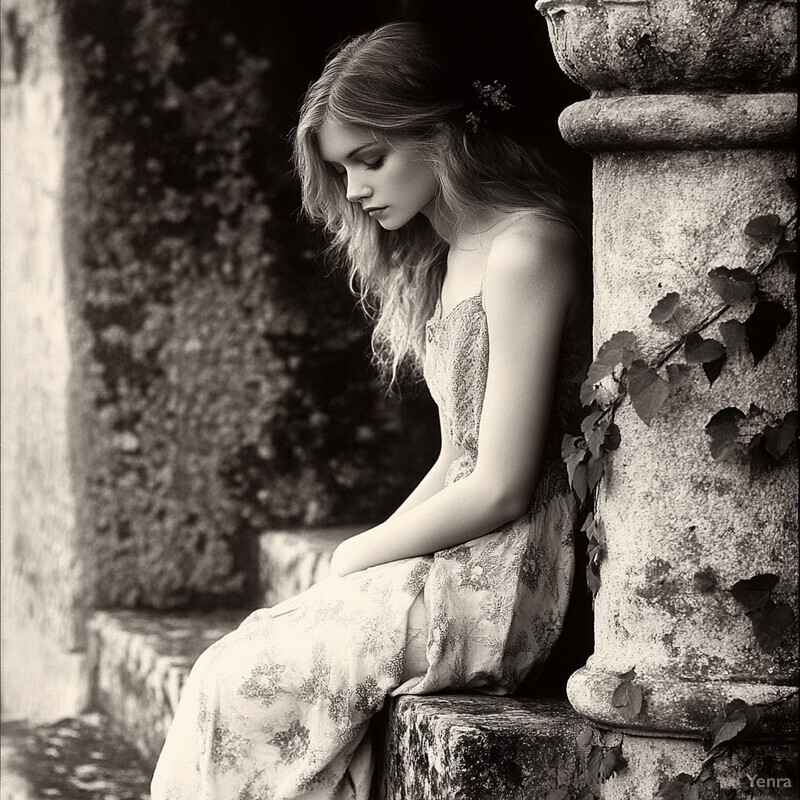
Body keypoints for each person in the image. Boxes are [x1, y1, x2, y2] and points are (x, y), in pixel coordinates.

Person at [151, 21, 590, 800]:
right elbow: (455, 456)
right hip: (457, 561)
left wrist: (361, 555)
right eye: (342, 167)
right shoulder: (454, 254)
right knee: (225, 663)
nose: (354, 189)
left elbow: (502, 485)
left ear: (442, 134)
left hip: (502, 584)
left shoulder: (530, 247)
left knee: (245, 681)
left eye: (370, 159)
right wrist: (371, 550)